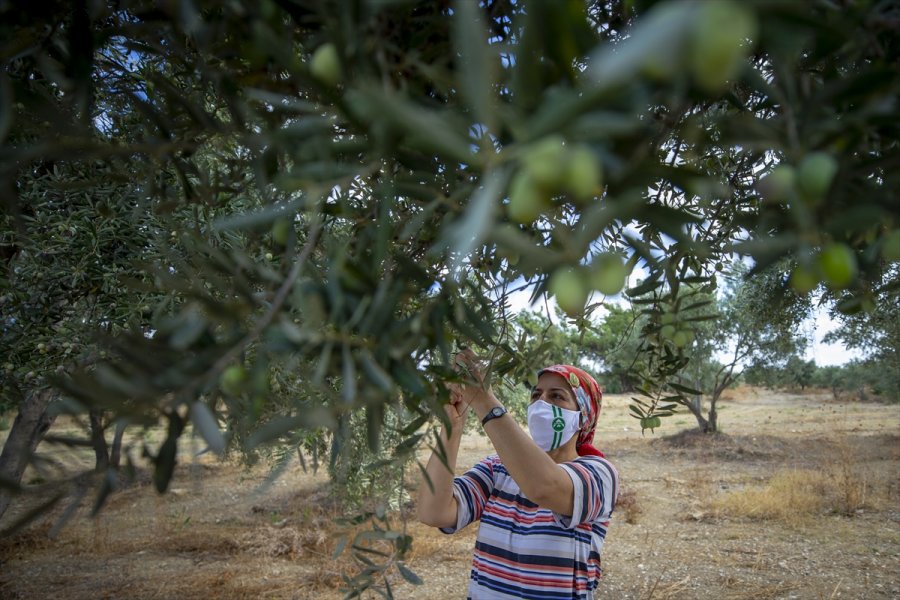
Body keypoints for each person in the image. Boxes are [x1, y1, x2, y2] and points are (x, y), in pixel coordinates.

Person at [417, 353, 619, 599]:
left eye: (557, 396)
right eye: (536, 395)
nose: (542, 402)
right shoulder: (497, 469)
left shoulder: (599, 473)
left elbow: (544, 487)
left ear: (582, 417)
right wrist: (452, 426)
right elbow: (433, 512)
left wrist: (481, 398)